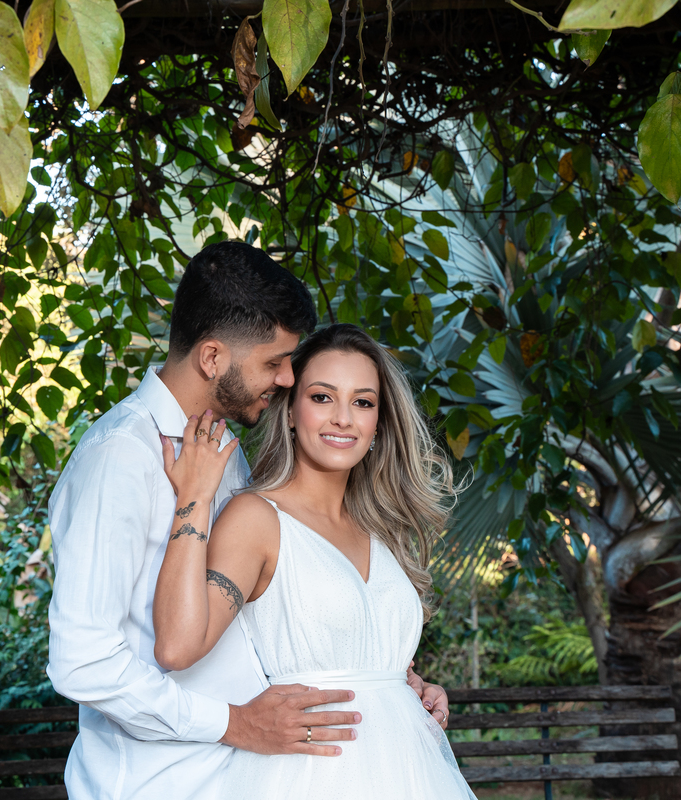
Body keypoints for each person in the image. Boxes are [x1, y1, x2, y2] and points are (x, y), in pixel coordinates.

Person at [46, 243, 449, 800]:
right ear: (213, 358)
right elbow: (84, 663)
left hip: (247, 771)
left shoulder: (225, 451)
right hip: (155, 783)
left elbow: (271, 611)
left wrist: (382, 683)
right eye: (274, 362)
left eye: (363, 403)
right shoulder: (121, 457)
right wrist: (237, 723)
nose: (286, 379)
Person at [153, 323, 477, 799]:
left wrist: (408, 689)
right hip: (311, 775)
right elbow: (176, 648)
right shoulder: (258, 518)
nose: (343, 418)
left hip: (409, 772)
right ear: (290, 411)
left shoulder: (380, 528)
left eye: (363, 402)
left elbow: (368, 659)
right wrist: (195, 497)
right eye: (323, 397)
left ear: (379, 422)